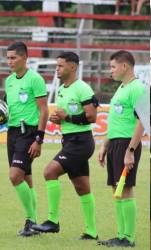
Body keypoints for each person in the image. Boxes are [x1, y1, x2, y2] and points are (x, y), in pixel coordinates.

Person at [32, 52, 99, 240]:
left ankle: (52, 221)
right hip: (70, 140)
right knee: (82, 187)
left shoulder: (83, 88)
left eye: (60, 66)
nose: (57, 69)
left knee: (49, 172)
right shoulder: (62, 89)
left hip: (81, 142)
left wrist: (66, 117)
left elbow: (92, 117)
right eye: (56, 65)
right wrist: (59, 120)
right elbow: (67, 117)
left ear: (72, 67)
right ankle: (91, 232)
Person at [97, 50, 145, 248]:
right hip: (115, 145)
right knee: (116, 190)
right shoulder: (121, 88)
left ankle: (129, 238)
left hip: (127, 144)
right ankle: (120, 235)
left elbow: (143, 121)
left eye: (113, 67)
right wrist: (104, 145)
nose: (111, 71)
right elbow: (115, 121)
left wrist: (130, 150)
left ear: (125, 66)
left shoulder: (138, 88)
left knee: (125, 189)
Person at [5, 41, 48, 236]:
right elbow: (9, 110)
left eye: (13, 57)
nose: (9, 61)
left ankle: (30, 221)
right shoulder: (9, 81)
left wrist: (38, 139)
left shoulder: (35, 79)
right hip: (12, 133)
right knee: (27, 179)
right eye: (8, 58)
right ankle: (34, 223)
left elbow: (43, 110)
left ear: (24, 57)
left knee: (15, 176)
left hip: (28, 133)